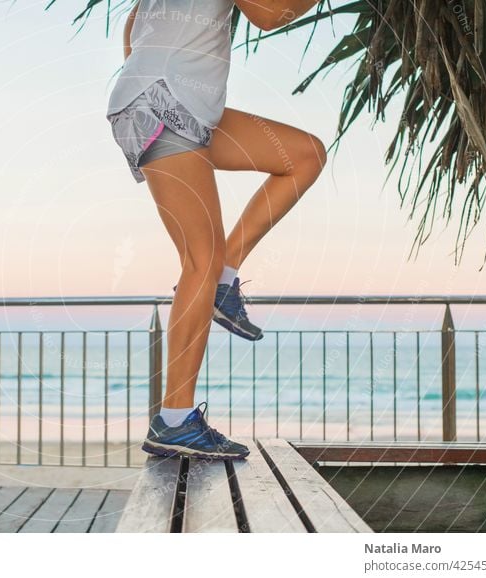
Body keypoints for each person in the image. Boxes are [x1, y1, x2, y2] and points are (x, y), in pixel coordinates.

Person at [106, 0, 326, 460]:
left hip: (179, 105)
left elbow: (131, 30)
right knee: (197, 262)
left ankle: (224, 281)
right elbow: (269, 14)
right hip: (162, 104)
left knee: (304, 155)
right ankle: (175, 422)